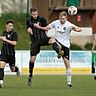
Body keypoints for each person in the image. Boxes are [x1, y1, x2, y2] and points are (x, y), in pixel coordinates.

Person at [34, 11, 82, 88]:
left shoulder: (69, 25)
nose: (61, 20)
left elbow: (78, 29)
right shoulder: (56, 23)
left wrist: (78, 29)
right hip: (57, 42)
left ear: (66, 18)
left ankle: (69, 83)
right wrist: (39, 27)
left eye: (63, 19)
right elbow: (47, 28)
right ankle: (59, 51)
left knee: (67, 64)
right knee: (52, 39)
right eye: (60, 18)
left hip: (65, 45)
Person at [26, 8, 64, 86]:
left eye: (36, 14)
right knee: (32, 60)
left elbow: (46, 29)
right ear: (31, 14)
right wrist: (29, 30)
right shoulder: (28, 21)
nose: (35, 15)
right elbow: (28, 28)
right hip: (35, 41)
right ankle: (30, 75)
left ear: (37, 13)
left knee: (52, 39)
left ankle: (58, 52)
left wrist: (38, 27)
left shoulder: (42, 19)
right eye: (33, 14)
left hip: (43, 38)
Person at [0, 20, 19, 88]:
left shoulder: (14, 33)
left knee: (12, 69)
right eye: (10, 26)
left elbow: (14, 43)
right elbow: (2, 38)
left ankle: (17, 69)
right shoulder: (4, 32)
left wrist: (6, 40)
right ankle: (1, 82)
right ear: (6, 26)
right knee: (1, 65)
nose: (11, 27)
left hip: (11, 55)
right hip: (4, 53)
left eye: (12, 26)